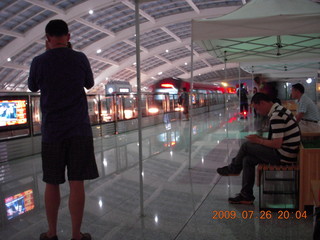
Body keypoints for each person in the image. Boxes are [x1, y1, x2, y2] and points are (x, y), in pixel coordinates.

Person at [28, 19, 99, 240]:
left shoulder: (39, 61)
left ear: (47, 38)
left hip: (52, 132)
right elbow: (89, 83)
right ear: (68, 37)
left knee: (52, 182)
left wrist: (47, 53)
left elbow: (32, 86)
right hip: (79, 129)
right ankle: (76, 235)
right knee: (77, 182)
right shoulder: (79, 58)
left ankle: (51, 233)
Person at [217, 93, 300, 204]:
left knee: (246, 145)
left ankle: (234, 168)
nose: (258, 112)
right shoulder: (280, 110)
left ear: (262, 103)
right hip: (287, 152)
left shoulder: (277, 116)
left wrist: (258, 141)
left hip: (283, 155)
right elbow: (278, 140)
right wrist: (259, 138)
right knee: (247, 159)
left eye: (257, 108)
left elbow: (277, 144)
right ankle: (246, 196)